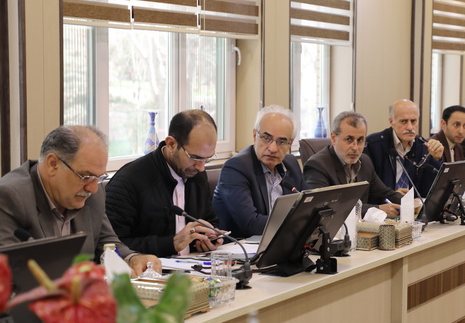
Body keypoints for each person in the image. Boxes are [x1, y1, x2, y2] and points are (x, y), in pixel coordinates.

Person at [0, 126, 160, 275]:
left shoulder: (93, 193)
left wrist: (132, 258)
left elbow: (106, 241)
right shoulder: (10, 196)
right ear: (53, 164)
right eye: (86, 176)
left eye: (98, 177)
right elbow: (12, 271)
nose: (93, 188)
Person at [106, 110, 221, 257]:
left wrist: (209, 237)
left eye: (207, 159)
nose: (201, 167)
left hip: (194, 265)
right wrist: (172, 243)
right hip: (150, 269)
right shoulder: (129, 181)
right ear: (171, 144)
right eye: (194, 157)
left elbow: (210, 220)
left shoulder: (197, 174)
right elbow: (112, 246)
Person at [212, 105, 303, 239]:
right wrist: (296, 222)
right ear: (255, 135)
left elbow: (305, 207)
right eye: (266, 138)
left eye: (281, 141)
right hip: (242, 246)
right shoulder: (236, 168)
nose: (273, 148)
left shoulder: (291, 164)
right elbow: (251, 224)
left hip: (281, 241)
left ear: (290, 144)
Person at [304, 111, 402, 216]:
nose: (355, 148)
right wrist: (377, 209)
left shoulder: (365, 161)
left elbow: (384, 193)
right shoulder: (317, 166)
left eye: (360, 140)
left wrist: (409, 203)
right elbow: (326, 208)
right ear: (333, 138)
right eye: (349, 139)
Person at [364, 99, 443, 198]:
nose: (410, 127)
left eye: (413, 121)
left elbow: (429, 191)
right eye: (403, 121)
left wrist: (436, 160)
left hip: (414, 205)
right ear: (391, 121)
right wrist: (391, 195)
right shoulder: (373, 145)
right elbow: (367, 190)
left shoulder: (423, 146)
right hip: (385, 205)